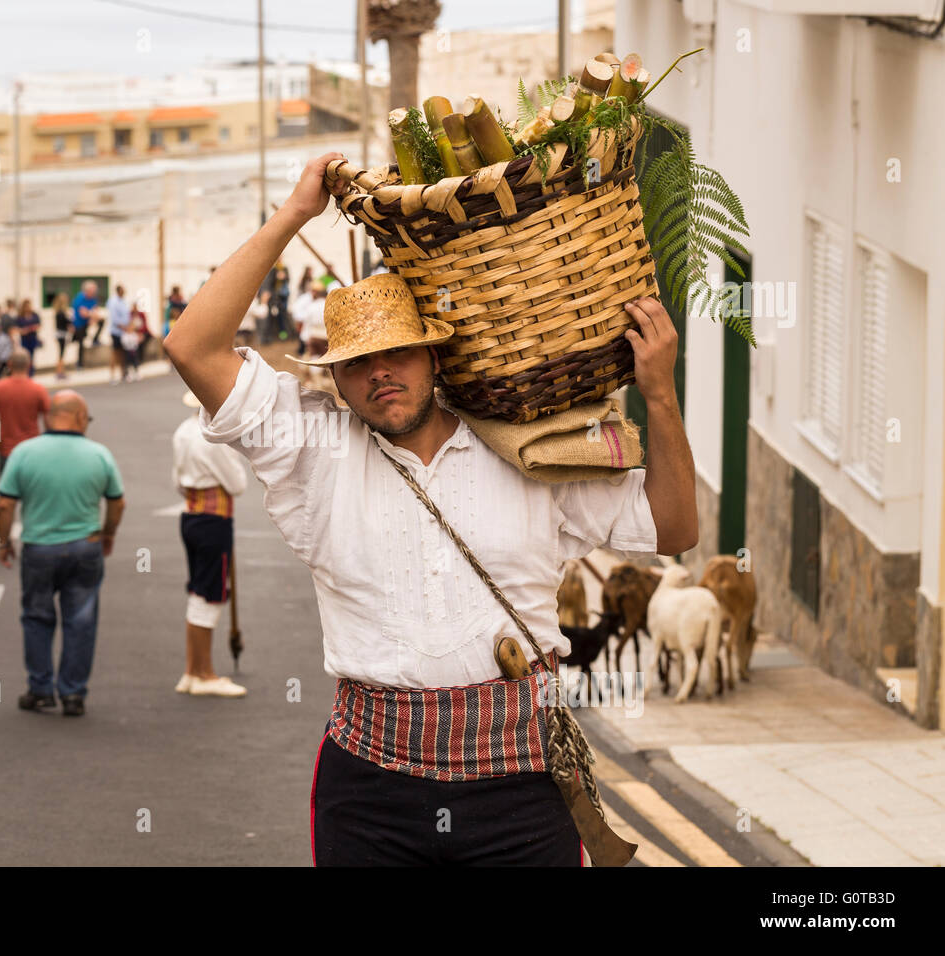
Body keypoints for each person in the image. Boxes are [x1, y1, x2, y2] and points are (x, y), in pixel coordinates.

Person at [163, 151, 698, 866]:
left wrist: (659, 395)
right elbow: (191, 346)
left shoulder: (529, 448)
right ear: (338, 382)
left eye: (399, 354)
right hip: (372, 790)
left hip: (524, 786)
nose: (379, 373)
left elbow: (675, 528)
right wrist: (294, 213)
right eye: (356, 363)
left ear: (435, 357)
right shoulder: (309, 447)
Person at [0, 390, 124, 717]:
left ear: (48, 417)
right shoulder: (99, 455)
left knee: (37, 617)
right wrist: (108, 533)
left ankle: (40, 690)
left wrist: (3, 541)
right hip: (85, 547)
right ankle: (72, 694)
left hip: (39, 548)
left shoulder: (24, 453)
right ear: (80, 418)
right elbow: (117, 501)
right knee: (80, 620)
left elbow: (5, 504)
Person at [172, 390, 249, 697]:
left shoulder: (182, 431)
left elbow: (177, 481)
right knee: (210, 595)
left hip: (191, 516)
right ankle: (203, 673)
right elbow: (237, 484)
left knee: (198, 591)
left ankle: (192, 671)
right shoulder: (213, 438)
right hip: (213, 521)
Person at [0, 350, 50, 476]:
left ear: (9, 364)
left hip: (7, 451)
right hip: (32, 450)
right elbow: (48, 419)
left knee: (7, 492)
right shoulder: (38, 389)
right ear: (29, 365)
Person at [105, 285, 130, 384]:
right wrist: (124, 327)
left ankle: (123, 373)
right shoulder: (114, 302)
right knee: (115, 353)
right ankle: (112, 375)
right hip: (116, 331)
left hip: (123, 331)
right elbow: (115, 319)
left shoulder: (123, 301)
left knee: (122, 353)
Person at [72, 281, 99, 370]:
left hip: (87, 322)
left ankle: (95, 339)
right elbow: (82, 313)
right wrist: (92, 315)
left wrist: (92, 316)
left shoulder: (92, 298)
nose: (94, 292)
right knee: (81, 344)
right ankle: (79, 363)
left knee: (102, 321)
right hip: (79, 325)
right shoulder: (80, 298)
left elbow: (95, 310)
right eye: (93, 290)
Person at [122, 301, 147, 381]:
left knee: (135, 362)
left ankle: (136, 373)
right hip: (128, 350)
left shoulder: (134, 334)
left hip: (134, 349)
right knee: (128, 363)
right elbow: (124, 341)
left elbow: (136, 340)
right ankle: (129, 374)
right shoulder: (126, 335)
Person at [16, 299, 41, 376]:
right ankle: (25, 372)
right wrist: (23, 330)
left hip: (32, 338)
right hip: (24, 339)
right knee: (25, 355)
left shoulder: (34, 315)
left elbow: (38, 325)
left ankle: (31, 372)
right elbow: (17, 328)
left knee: (32, 356)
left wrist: (32, 328)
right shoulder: (20, 316)